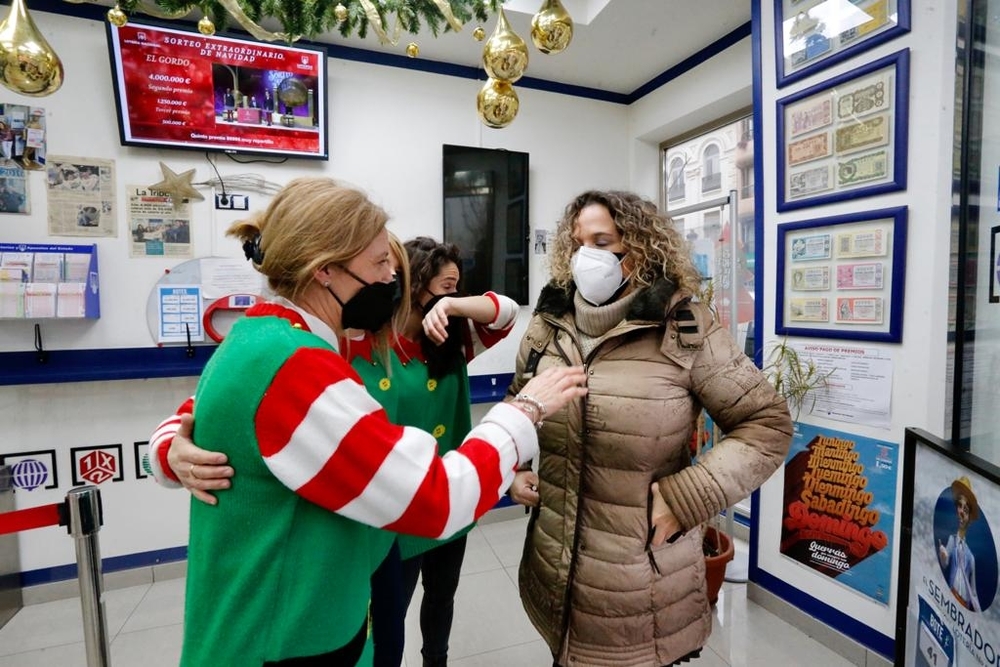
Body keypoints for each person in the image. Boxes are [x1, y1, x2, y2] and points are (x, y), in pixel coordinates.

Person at [146, 177, 588, 666]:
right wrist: (523, 413)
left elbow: (209, 411)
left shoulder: (262, 337)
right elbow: (438, 497)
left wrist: (166, 448)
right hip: (284, 642)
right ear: (326, 270)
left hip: (296, 620)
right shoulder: (295, 363)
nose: (390, 281)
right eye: (380, 264)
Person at [505, 190, 793, 667]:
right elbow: (521, 400)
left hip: (641, 584)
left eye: (603, 241)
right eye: (578, 243)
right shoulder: (548, 324)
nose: (585, 257)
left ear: (640, 248)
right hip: (553, 568)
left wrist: (688, 496)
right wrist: (511, 466)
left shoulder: (685, 327)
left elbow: (765, 424)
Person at [938, 476, 982, 611]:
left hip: (964, 605)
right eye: (960, 506)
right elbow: (945, 564)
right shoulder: (952, 540)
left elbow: (973, 592)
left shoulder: (970, 556)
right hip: (951, 597)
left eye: (966, 510)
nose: (961, 512)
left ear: (969, 518)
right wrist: (943, 556)